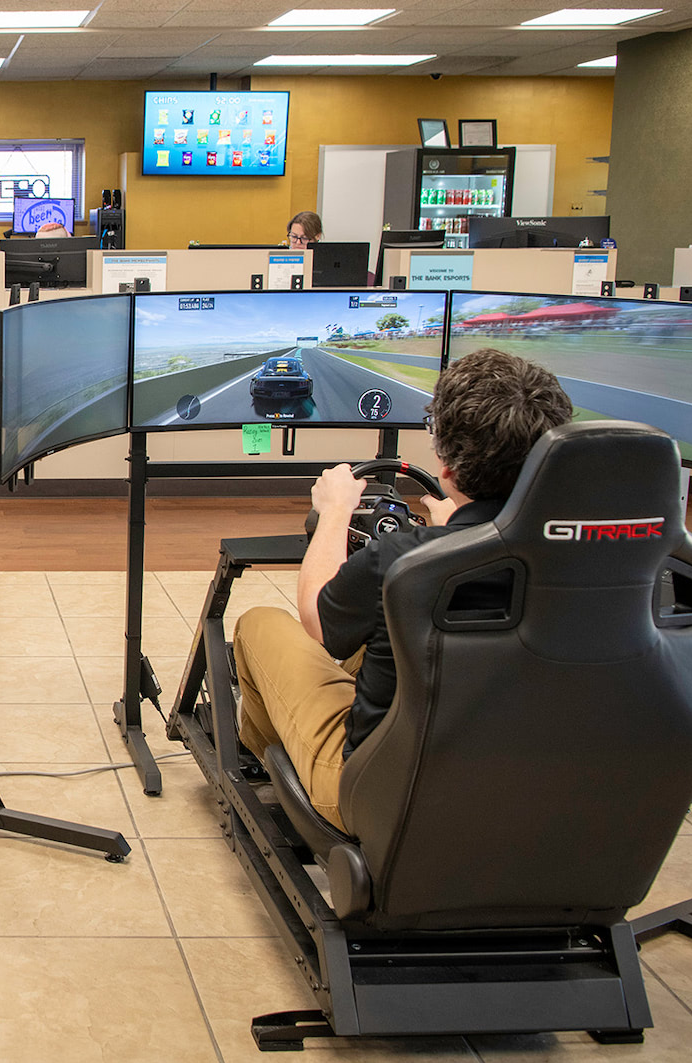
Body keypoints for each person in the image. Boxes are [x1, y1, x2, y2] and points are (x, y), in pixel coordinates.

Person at [230, 348, 573, 831]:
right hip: (534, 780)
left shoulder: (404, 560)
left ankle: (279, 767)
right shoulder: (606, 561)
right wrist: (459, 525)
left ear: (447, 468)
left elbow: (319, 620)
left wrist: (335, 512)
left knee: (260, 623)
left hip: (384, 792)